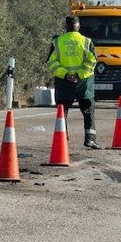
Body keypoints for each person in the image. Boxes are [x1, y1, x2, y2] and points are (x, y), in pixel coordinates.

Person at [46, 16, 100, 149]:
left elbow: (51, 62)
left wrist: (65, 74)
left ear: (65, 27)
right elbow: (92, 61)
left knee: (62, 111)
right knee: (88, 110)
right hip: (84, 82)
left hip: (64, 83)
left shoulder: (57, 42)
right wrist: (79, 75)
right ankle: (90, 139)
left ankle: (62, 139)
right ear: (79, 26)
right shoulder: (87, 41)